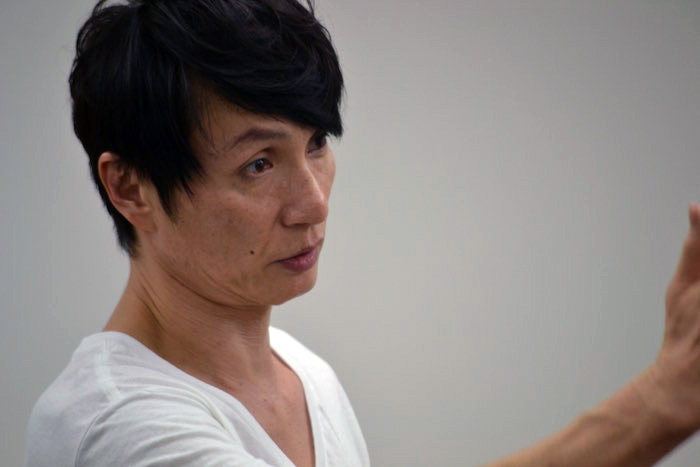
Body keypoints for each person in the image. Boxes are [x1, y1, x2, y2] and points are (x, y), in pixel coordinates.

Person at [24, 0, 700, 466]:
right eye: (259, 164)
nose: (313, 202)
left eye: (316, 143)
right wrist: (655, 406)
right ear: (130, 188)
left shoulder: (306, 374)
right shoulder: (111, 425)